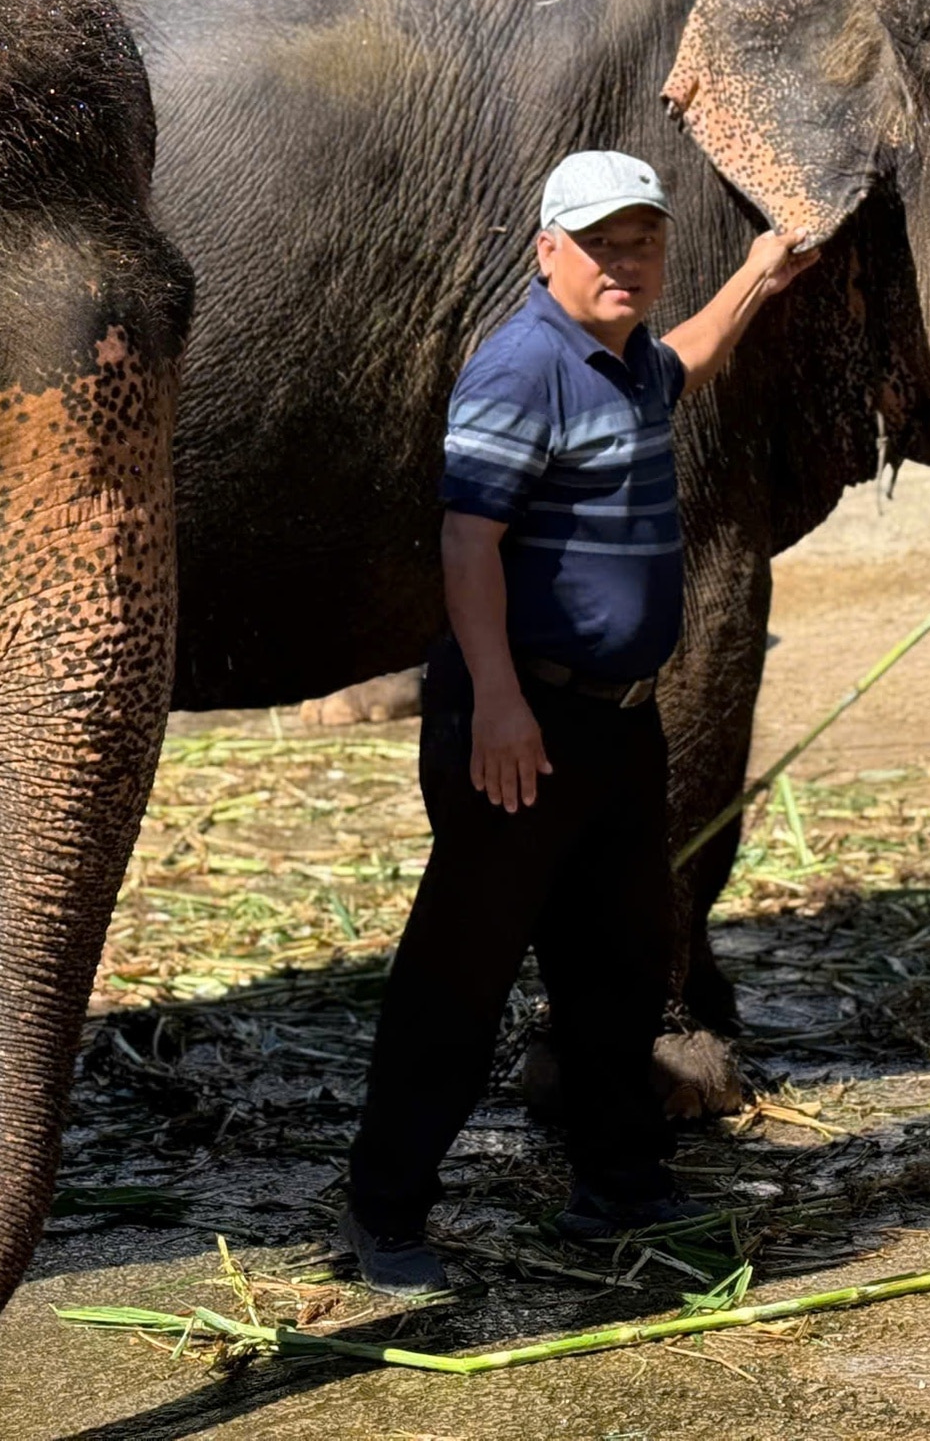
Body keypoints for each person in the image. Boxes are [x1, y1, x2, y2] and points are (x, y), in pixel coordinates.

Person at [340, 149, 817, 1294]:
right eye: (600, 243)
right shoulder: (522, 369)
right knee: (460, 976)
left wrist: (757, 274)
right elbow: (468, 545)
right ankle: (386, 1214)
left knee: (616, 968)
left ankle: (619, 1189)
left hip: (616, 725)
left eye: (641, 243)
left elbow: (688, 359)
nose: (625, 262)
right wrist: (500, 706)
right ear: (546, 250)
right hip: (521, 722)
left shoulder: (629, 362)